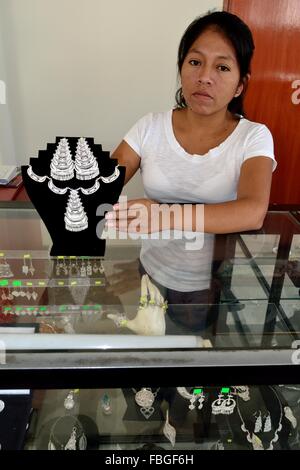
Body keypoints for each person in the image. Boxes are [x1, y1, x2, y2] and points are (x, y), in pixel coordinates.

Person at [105, 11, 277, 332]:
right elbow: (103, 186)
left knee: (197, 359)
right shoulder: (150, 127)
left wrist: (163, 215)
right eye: (195, 62)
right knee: (154, 354)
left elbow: (253, 211)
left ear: (240, 84)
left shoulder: (253, 137)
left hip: (211, 284)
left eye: (222, 67)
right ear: (182, 68)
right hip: (151, 271)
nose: (205, 77)